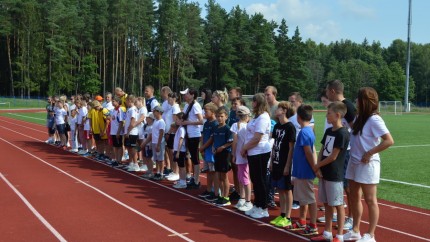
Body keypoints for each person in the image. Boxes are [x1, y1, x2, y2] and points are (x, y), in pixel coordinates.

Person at [343, 87, 394, 242]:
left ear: (364, 101)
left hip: (367, 164)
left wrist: (369, 153)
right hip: (354, 161)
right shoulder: (360, 117)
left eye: (358, 99)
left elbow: (389, 140)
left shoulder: (374, 119)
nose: (356, 101)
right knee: (354, 196)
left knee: (370, 199)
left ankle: (371, 235)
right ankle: (355, 230)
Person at [311, 101, 350, 242]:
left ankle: (339, 235)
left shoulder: (343, 133)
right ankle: (327, 233)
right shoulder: (329, 131)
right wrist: (318, 167)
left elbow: (333, 156)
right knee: (326, 204)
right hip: (324, 173)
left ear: (338, 115)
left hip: (335, 174)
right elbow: (322, 150)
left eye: (329, 113)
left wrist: (317, 165)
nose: (326, 116)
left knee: (338, 205)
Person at [325, 80, 357, 230]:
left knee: (346, 186)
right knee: (336, 184)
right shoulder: (334, 107)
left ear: (332, 91)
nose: (325, 93)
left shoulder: (348, 106)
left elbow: (356, 129)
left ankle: (351, 217)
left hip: (345, 151)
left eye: (326, 91)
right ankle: (339, 213)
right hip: (333, 149)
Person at [241, 93, 272, 219]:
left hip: (260, 152)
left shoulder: (264, 118)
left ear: (257, 103)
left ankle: (264, 208)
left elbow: (257, 138)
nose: (251, 104)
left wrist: (244, 148)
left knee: (260, 180)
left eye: (253, 101)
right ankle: (257, 204)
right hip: (253, 152)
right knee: (255, 179)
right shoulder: (256, 117)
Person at [289, 104, 318, 235]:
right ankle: (302, 221)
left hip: (305, 171)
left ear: (298, 118)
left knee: (310, 199)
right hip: (301, 170)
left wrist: (314, 168)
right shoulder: (306, 131)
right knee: (303, 198)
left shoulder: (304, 132)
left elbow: (309, 152)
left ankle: (313, 225)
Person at [269, 101, 296, 228]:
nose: (276, 110)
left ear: (284, 110)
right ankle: (283, 214)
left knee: (287, 189)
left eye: (279, 108)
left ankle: (288, 217)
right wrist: (271, 161)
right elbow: (274, 145)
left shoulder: (290, 127)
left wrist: (287, 165)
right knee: (280, 189)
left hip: (285, 161)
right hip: (276, 161)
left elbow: (291, 148)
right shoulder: (277, 126)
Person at [179, 88, 204, 188]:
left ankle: (197, 180)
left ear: (193, 95)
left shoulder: (196, 105)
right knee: (189, 157)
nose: (185, 96)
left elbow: (201, 121)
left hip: (194, 134)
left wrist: (188, 122)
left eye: (187, 94)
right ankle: (193, 178)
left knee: (195, 158)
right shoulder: (187, 105)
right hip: (188, 134)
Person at [231, 105, 253, 212]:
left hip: (241, 154)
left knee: (244, 178)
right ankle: (243, 198)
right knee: (242, 177)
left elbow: (234, 141)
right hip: (245, 154)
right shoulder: (248, 126)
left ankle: (247, 200)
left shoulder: (236, 125)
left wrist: (234, 154)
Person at [198, 103, 218, 199]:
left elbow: (212, 138)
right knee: (208, 171)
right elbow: (203, 136)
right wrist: (202, 147)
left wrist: (203, 147)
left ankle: (215, 191)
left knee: (213, 171)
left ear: (213, 112)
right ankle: (209, 190)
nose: (204, 113)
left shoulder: (215, 124)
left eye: (206, 111)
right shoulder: (206, 123)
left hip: (211, 151)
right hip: (205, 151)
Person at [265, 86, 280, 208]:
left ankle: (271, 195)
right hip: (266, 140)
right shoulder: (265, 107)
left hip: (275, 141)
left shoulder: (278, 107)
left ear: (274, 94)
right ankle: (267, 194)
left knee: (272, 168)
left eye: (268, 94)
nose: (266, 95)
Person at [165, 92, 181, 181]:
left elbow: (175, 122)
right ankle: (173, 169)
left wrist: (169, 132)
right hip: (169, 132)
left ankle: (176, 171)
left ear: (174, 99)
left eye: (170, 98)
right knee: (170, 152)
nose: (168, 99)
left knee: (173, 152)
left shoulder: (175, 107)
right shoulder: (171, 107)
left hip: (173, 133)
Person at [124, 95, 140, 172]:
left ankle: (136, 164)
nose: (125, 102)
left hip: (132, 132)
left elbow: (133, 122)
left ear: (130, 100)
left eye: (126, 101)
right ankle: (131, 163)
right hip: (129, 132)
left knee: (133, 149)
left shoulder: (133, 109)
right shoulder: (130, 109)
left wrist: (128, 132)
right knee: (129, 148)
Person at [150, 106, 166, 181]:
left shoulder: (161, 122)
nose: (153, 113)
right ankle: (158, 172)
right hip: (154, 142)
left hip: (159, 142)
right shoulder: (155, 121)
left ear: (159, 112)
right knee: (156, 159)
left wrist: (158, 144)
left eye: (155, 111)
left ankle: (161, 173)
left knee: (160, 159)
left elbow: (161, 133)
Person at [172, 112, 188, 188]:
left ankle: (183, 182)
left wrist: (178, 151)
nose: (176, 121)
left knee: (182, 167)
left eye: (177, 119)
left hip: (181, 151)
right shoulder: (179, 128)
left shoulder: (182, 129)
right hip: (178, 150)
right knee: (180, 166)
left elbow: (181, 140)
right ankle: (181, 180)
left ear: (182, 120)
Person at [109, 98, 126, 167]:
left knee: (119, 146)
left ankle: (119, 160)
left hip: (118, 131)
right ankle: (116, 159)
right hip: (113, 131)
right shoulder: (113, 110)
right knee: (115, 146)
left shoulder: (120, 110)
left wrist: (118, 132)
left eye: (114, 101)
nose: (112, 102)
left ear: (118, 102)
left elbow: (121, 122)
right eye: (112, 101)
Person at [141, 112, 155, 178]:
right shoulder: (146, 126)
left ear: (151, 119)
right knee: (146, 158)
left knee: (149, 158)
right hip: (145, 143)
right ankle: (148, 170)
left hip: (149, 144)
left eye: (148, 117)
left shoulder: (152, 127)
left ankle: (151, 171)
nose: (146, 119)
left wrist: (145, 143)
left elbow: (150, 137)